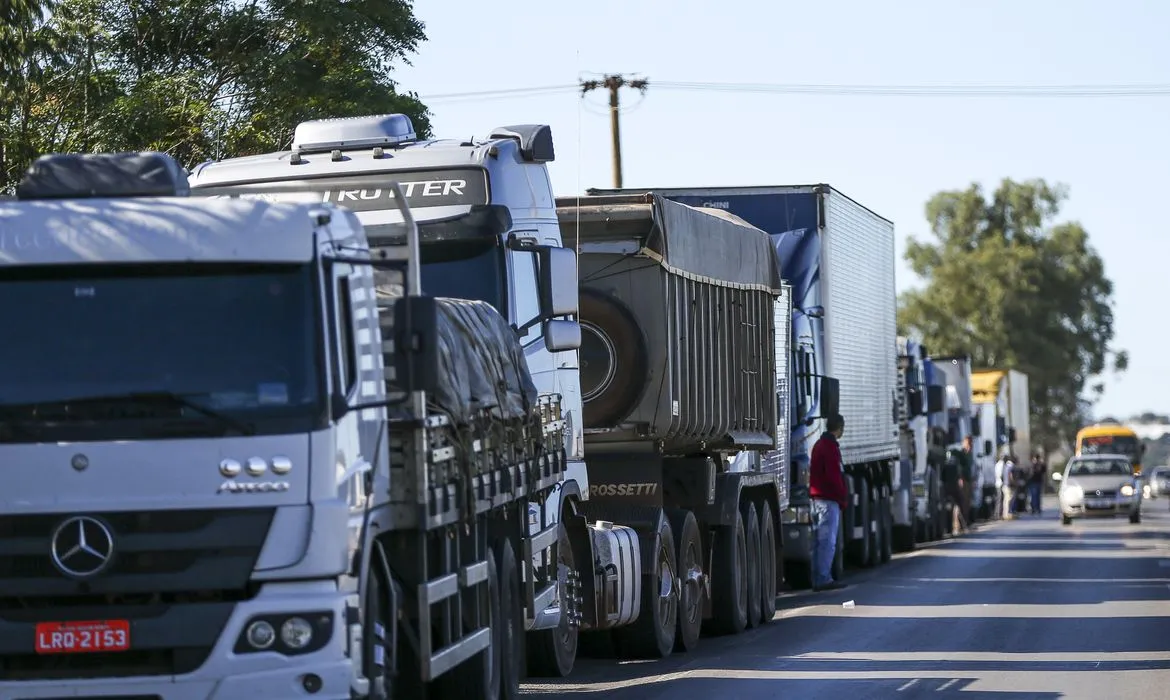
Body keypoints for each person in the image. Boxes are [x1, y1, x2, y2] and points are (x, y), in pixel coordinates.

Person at [809, 414, 848, 591]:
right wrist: (842, 497)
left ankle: (818, 577)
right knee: (828, 542)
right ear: (839, 428)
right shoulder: (830, 447)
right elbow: (834, 477)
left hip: (816, 500)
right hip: (828, 501)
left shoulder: (818, 445)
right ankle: (824, 578)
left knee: (818, 542)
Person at [1001, 453, 1017, 519]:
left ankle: (1005, 514)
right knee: (1009, 500)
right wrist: (1014, 483)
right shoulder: (1011, 466)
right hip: (1009, 485)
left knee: (1006, 500)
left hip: (1005, 484)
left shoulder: (1005, 466)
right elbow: (1010, 475)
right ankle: (1008, 514)